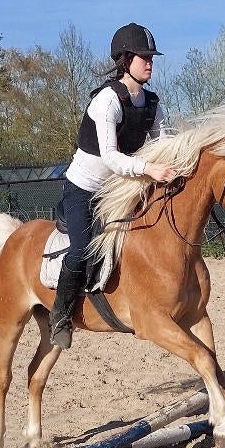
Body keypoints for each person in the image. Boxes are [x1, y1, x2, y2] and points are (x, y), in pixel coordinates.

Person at [48, 23, 178, 349]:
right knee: (80, 251)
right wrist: (150, 168)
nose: (150, 62)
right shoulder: (107, 101)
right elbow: (110, 157)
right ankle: (60, 317)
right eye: (143, 56)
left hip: (121, 188)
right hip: (86, 189)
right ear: (124, 59)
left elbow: (166, 142)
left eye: (151, 57)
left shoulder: (152, 104)